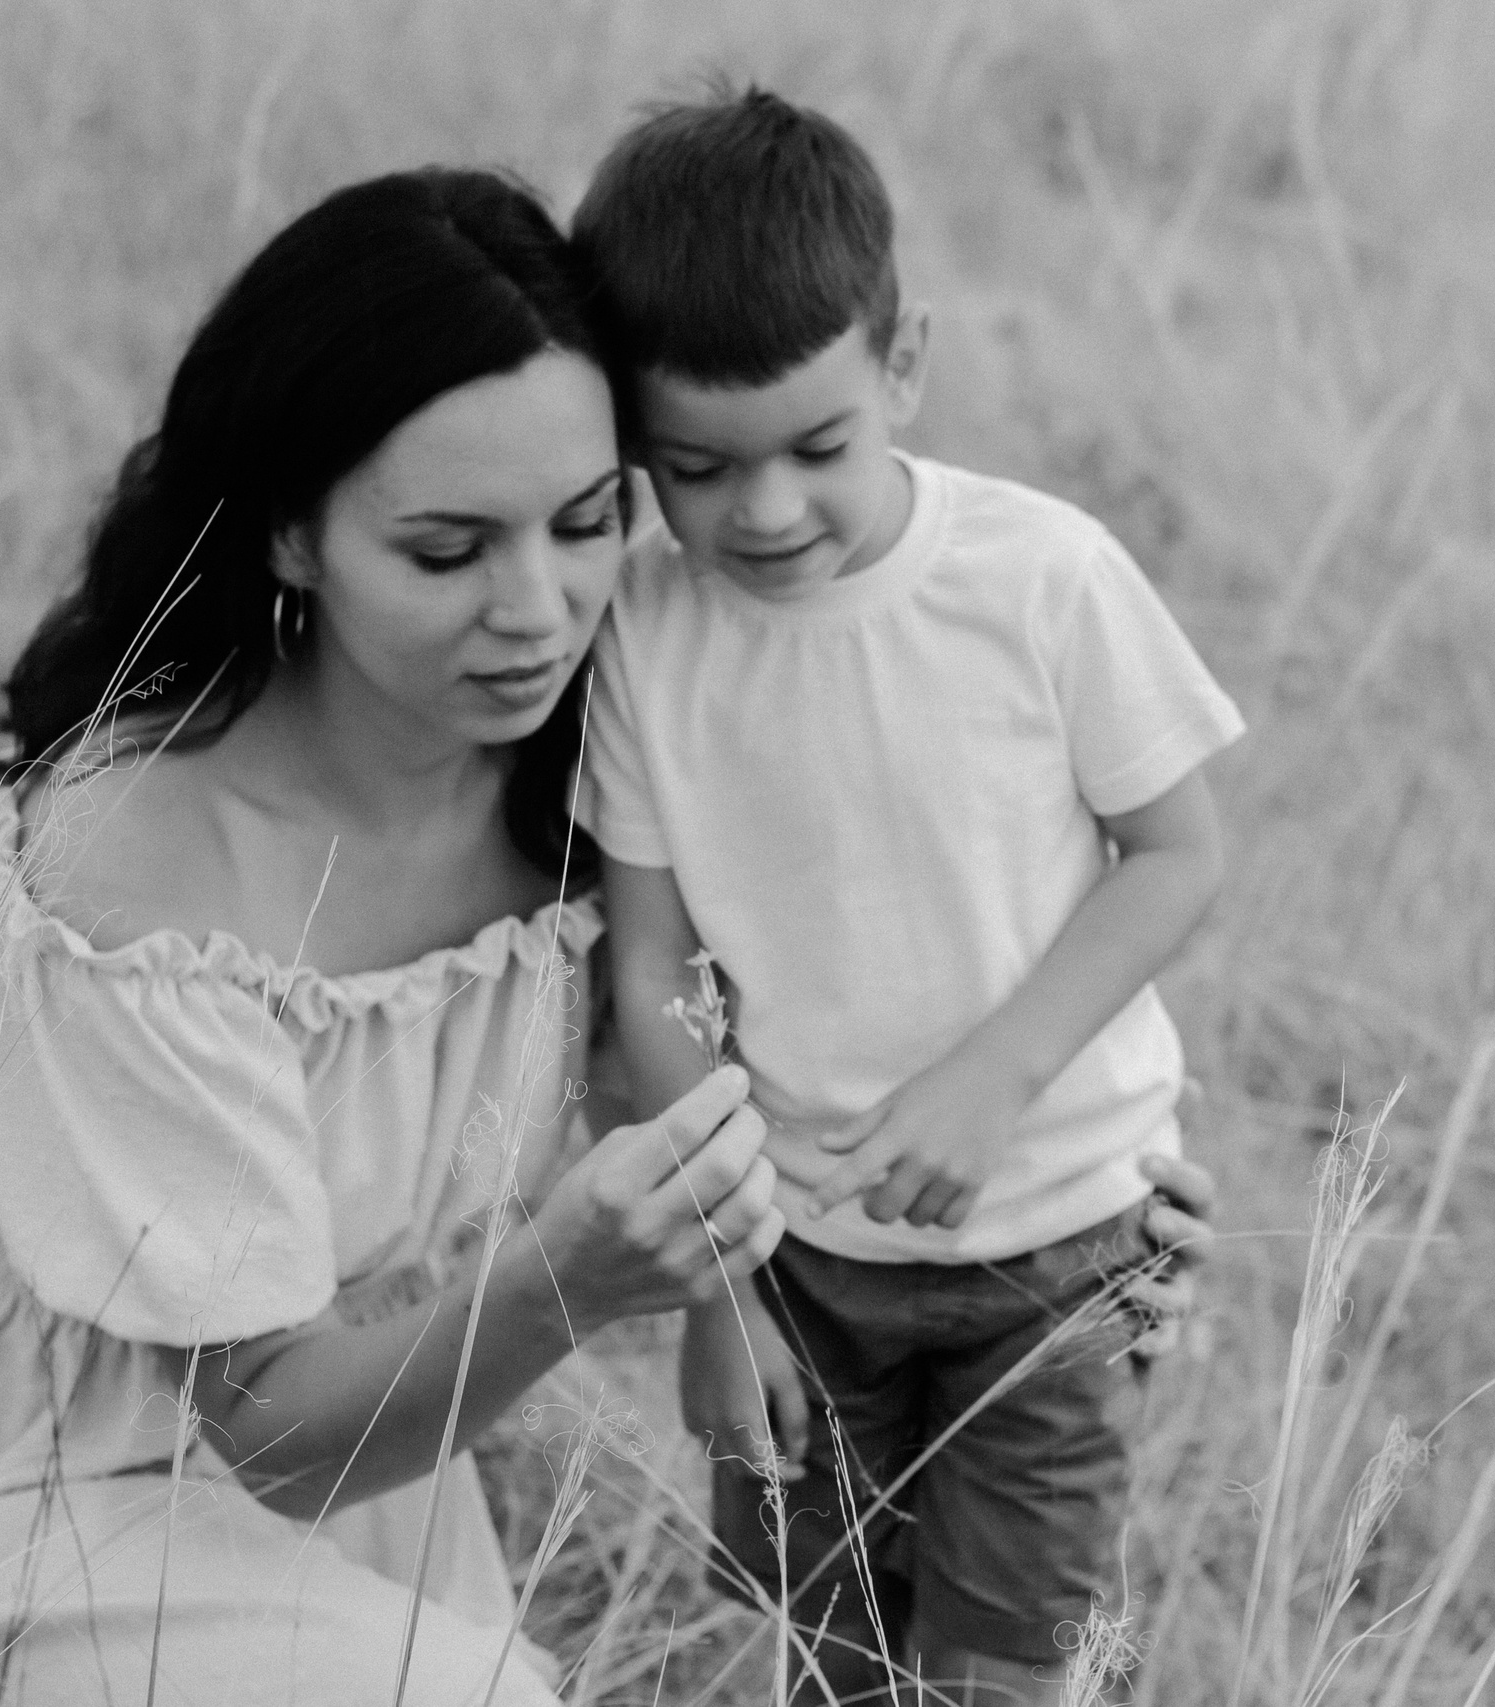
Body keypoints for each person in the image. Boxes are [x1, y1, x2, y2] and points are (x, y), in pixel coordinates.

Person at [0, 168, 789, 1707]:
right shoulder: (142, 867)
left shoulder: (604, 754)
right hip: (4, 1475)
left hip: (369, 1424)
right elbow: (267, 1431)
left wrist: (1096, 1182)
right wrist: (574, 1281)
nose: (539, 607)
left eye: (587, 520)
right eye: (446, 549)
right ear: (290, 538)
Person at [572, 89, 1248, 1704]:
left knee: (1008, 1671)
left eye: (819, 447)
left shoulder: (1042, 580)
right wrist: (723, 1284)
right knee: (833, 1662)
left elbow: (1181, 853)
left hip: (1062, 1240)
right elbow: (653, 959)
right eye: (699, 469)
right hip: (797, 1260)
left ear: (905, 363)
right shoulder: (650, 637)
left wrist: (991, 1075)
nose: (767, 513)